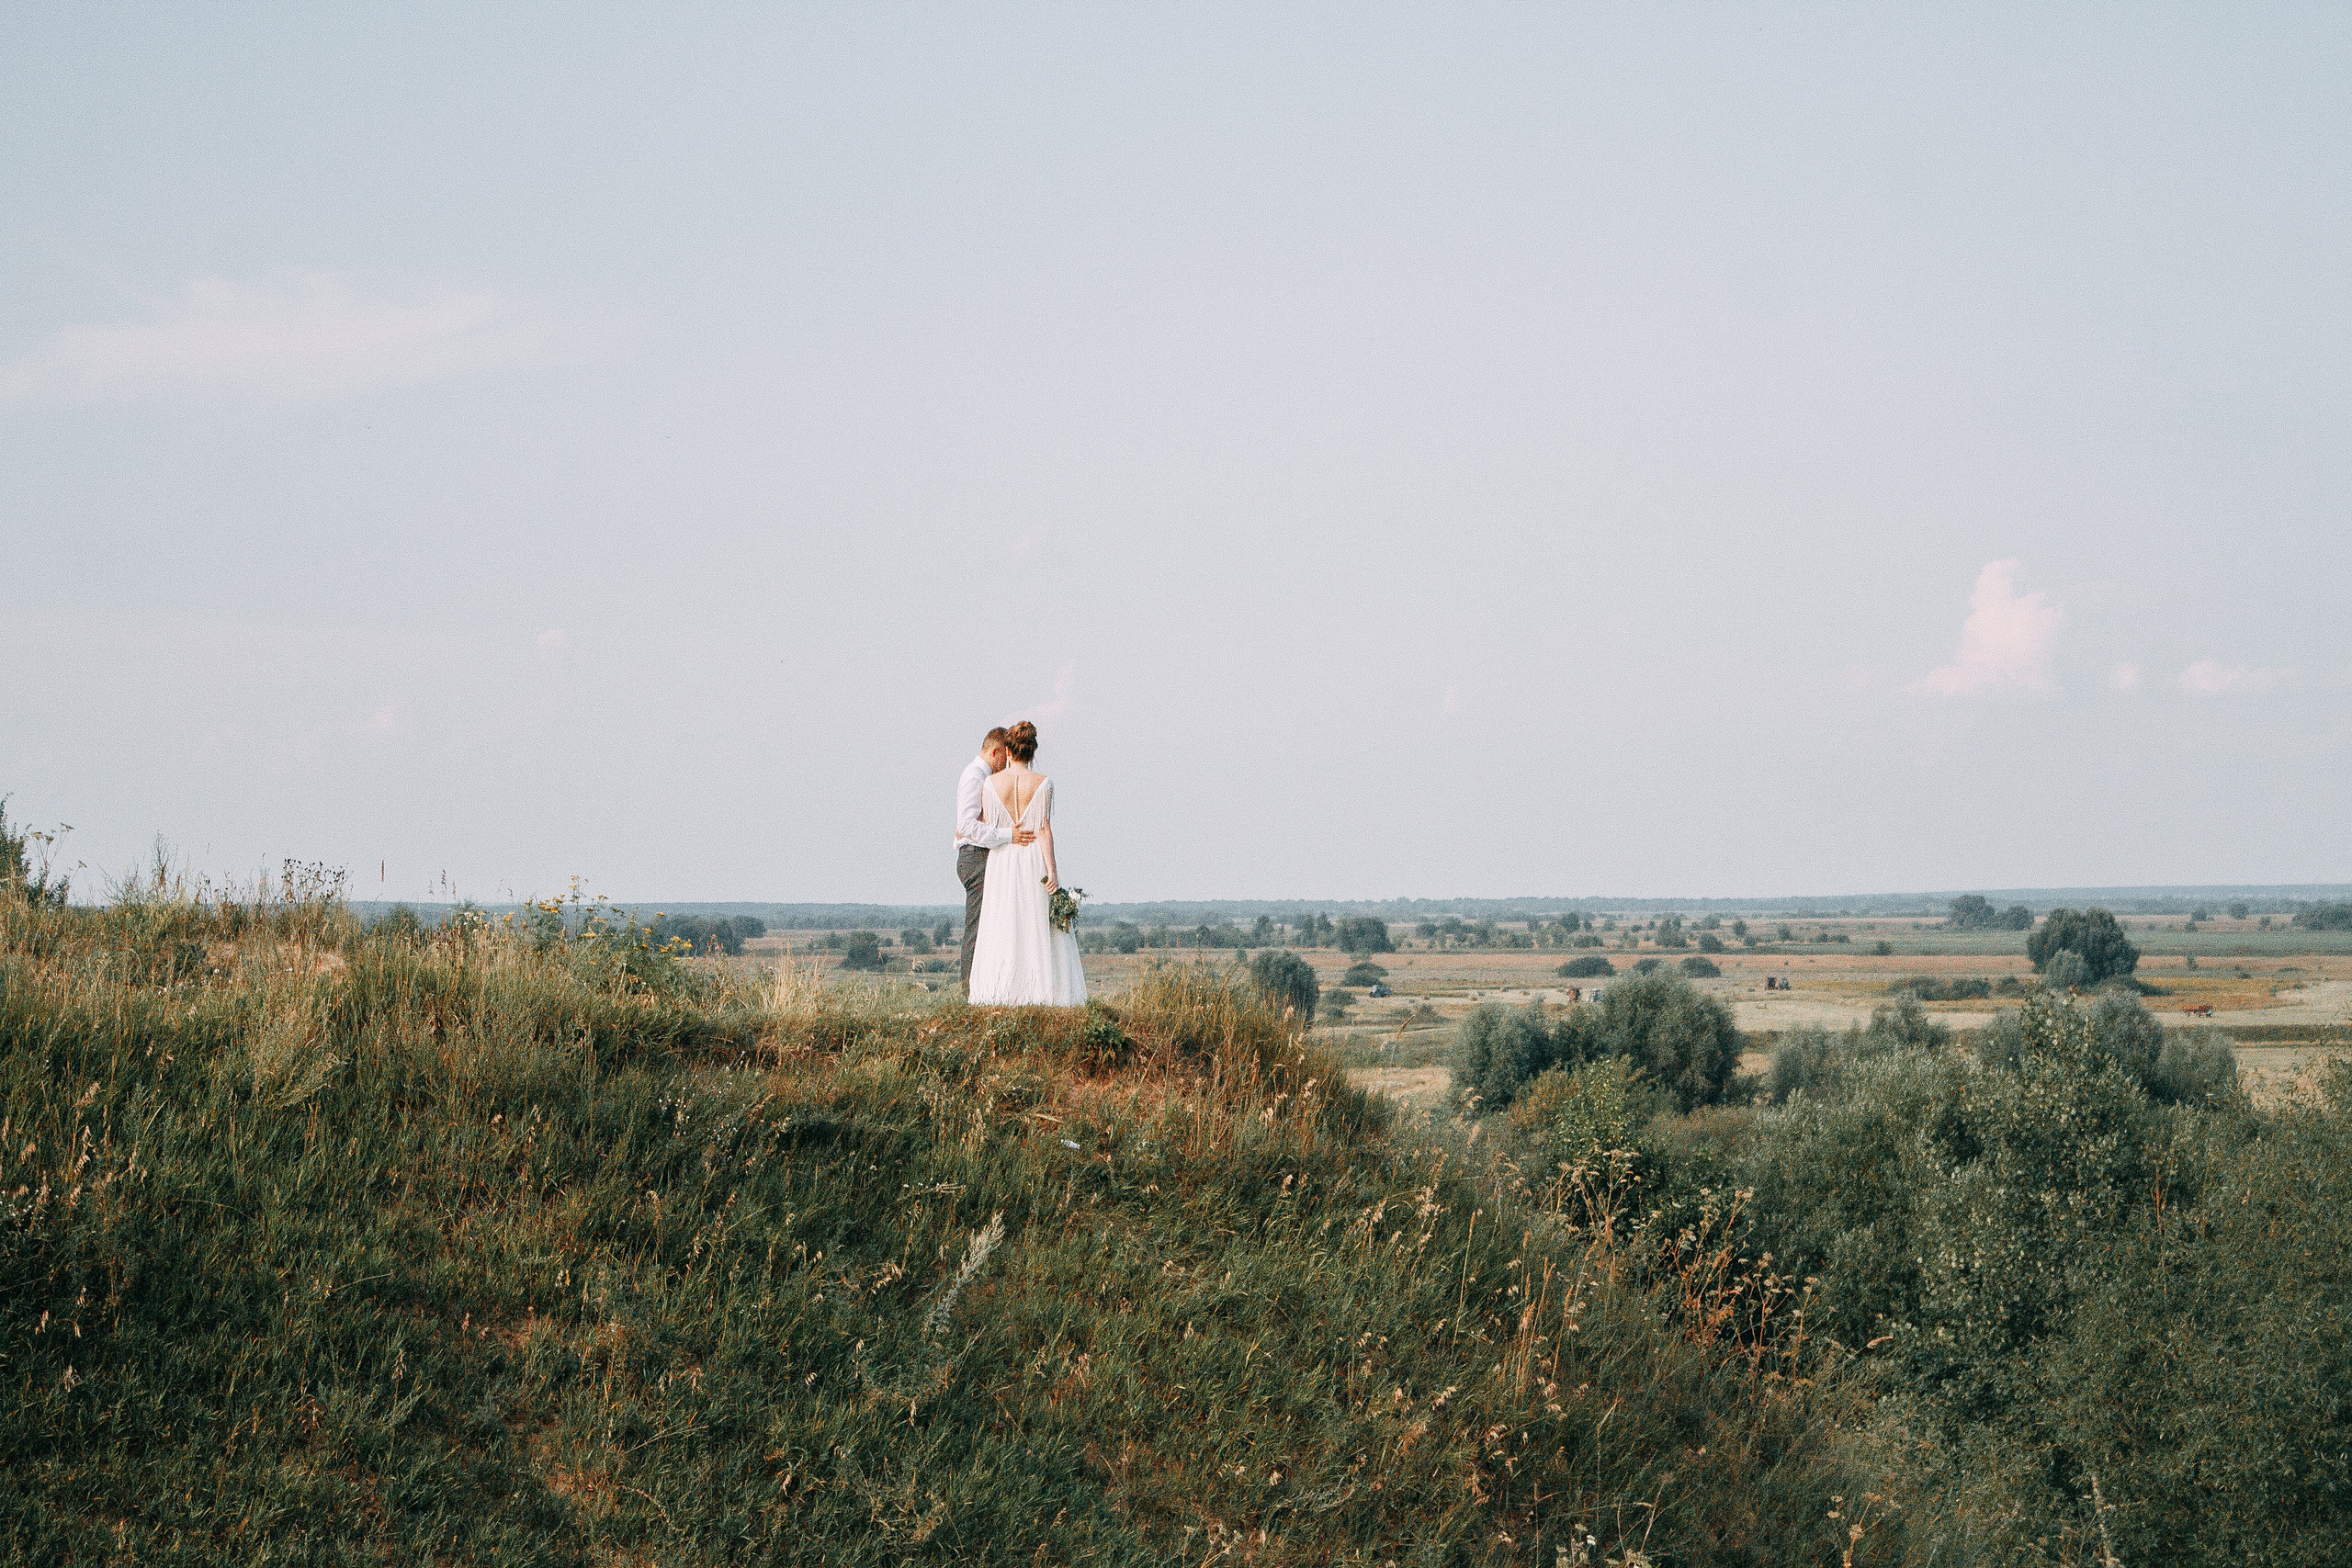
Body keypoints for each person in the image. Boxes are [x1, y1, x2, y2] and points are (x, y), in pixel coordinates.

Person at [966, 720, 1087, 1006]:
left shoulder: (990, 783)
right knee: (1035, 924)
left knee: (1003, 922)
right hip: (1033, 856)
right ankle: (1039, 991)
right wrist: (1053, 873)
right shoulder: (1043, 783)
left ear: (1007, 750)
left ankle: (1002, 992)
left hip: (1003, 857)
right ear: (1032, 751)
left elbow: (987, 825)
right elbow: (1044, 829)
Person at [954, 727, 1034, 994]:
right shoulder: (975, 776)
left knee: (991, 923)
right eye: (1004, 759)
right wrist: (1007, 835)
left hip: (981, 855)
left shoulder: (982, 777)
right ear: (996, 751)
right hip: (975, 857)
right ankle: (969, 991)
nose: (1006, 765)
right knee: (977, 925)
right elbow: (967, 825)